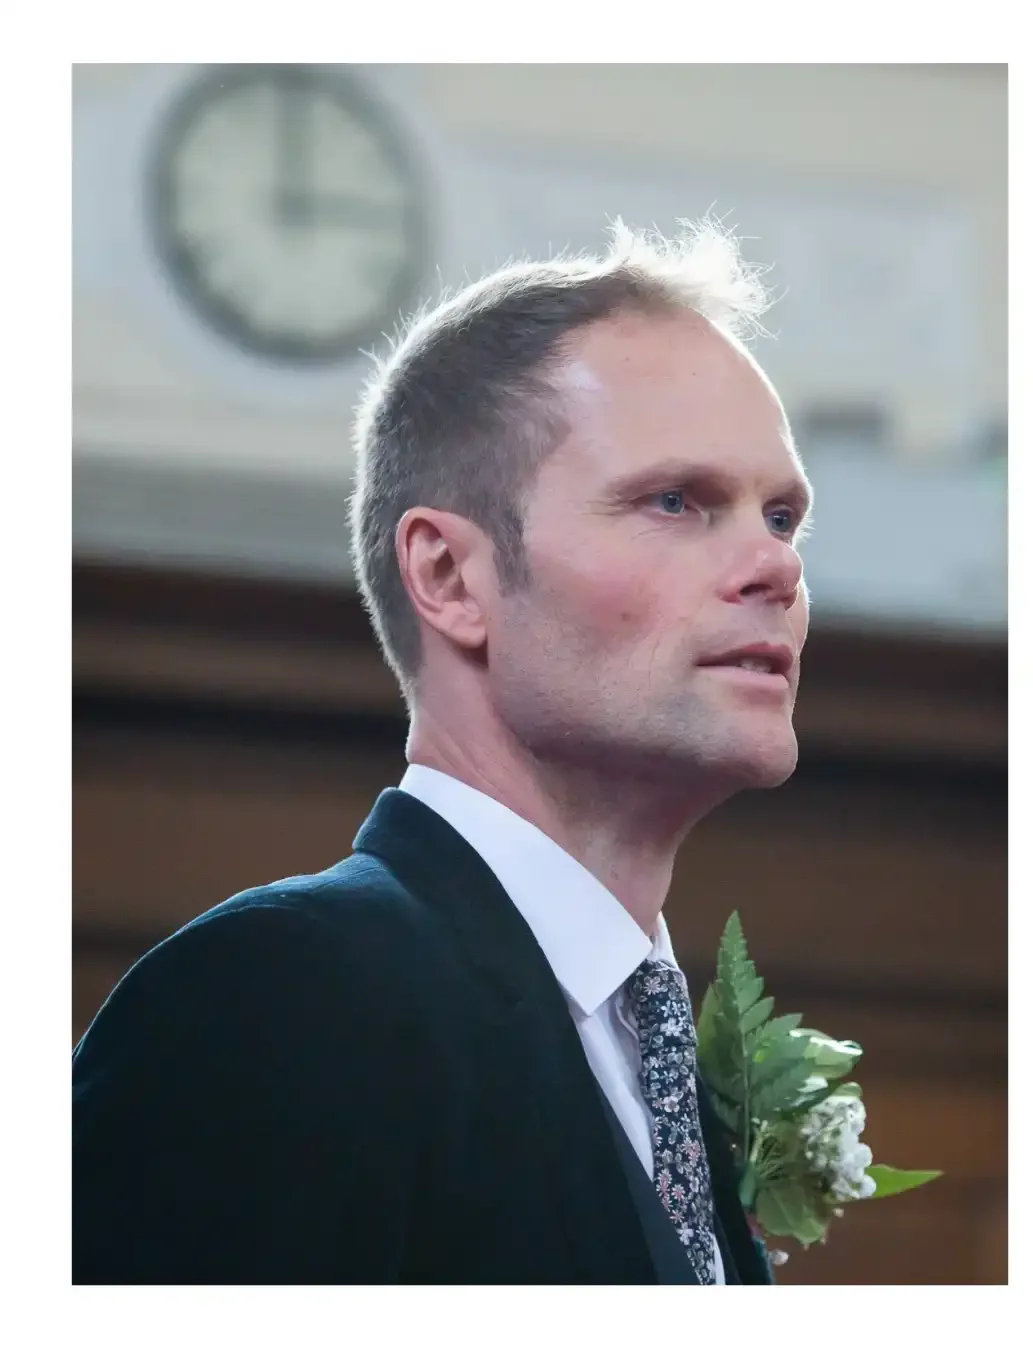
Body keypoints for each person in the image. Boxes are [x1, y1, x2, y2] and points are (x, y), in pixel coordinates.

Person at [72, 218, 813, 1284]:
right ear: (451, 578)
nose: (772, 568)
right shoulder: (282, 1001)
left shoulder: (660, 1068)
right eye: (676, 501)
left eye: (783, 516)